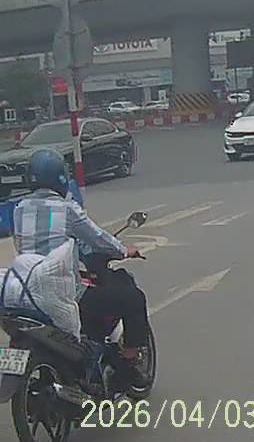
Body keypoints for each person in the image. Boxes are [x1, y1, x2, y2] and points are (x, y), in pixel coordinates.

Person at [9, 148, 150, 387]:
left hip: (25, 292)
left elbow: (26, 243)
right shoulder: (67, 209)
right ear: (60, 177)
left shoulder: (19, 209)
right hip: (60, 293)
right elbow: (97, 237)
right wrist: (123, 251)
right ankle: (128, 365)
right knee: (134, 299)